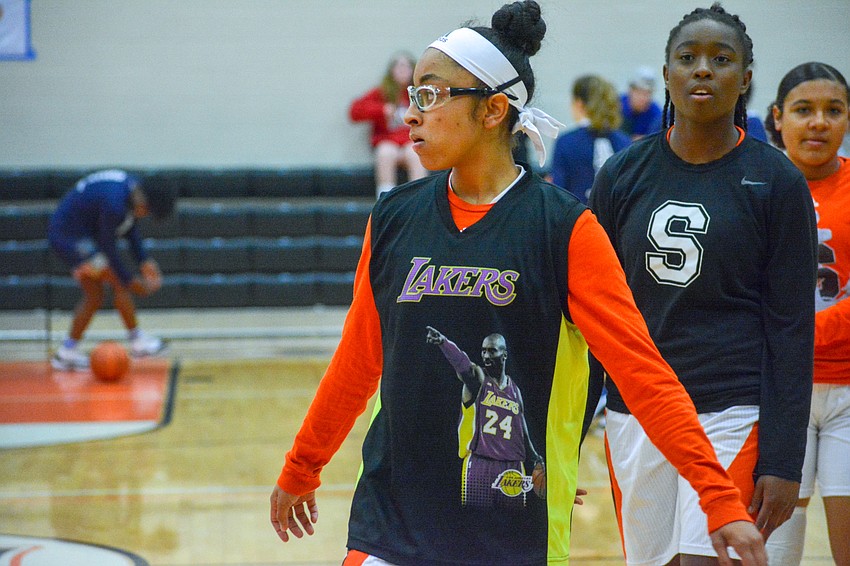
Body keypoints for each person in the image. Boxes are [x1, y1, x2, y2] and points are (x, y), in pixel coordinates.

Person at [270, 2, 766, 565]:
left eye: (430, 95)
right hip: (392, 523)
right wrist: (301, 465)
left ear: (493, 110)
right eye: (412, 97)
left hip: (511, 526)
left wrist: (719, 497)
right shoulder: (393, 218)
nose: (412, 115)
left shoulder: (565, 229)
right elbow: (358, 358)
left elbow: (644, 376)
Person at [588, 4, 818, 565]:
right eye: (687, 58)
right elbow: (595, 315)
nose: (702, 71)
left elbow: (791, 328)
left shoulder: (778, 180)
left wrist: (784, 460)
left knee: (710, 559)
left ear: (745, 77)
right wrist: (562, 438)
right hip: (635, 411)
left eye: (721, 59)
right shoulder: (621, 174)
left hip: (732, 409)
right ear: (666, 73)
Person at [762, 62, 850, 566]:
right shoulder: (755, 184)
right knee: (773, 552)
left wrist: (800, 334)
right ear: (778, 117)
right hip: (774, 391)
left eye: (833, 110)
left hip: (845, 386)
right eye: (803, 110)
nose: (818, 122)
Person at [48, 169, 175, 370]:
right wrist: (131, 282)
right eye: (149, 211)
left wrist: (144, 261)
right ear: (145, 202)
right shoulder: (114, 204)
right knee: (117, 283)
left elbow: (129, 227)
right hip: (69, 239)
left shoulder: (130, 191)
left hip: (81, 235)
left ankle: (67, 352)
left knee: (95, 294)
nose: (146, 215)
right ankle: (137, 341)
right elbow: (108, 250)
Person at [425, 326, 545, 507]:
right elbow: (464, 366)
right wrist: (444, 343)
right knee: (472, 522)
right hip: (480, 464)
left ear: (504, 355)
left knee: (511, 525)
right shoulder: (479, 379)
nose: (486, 356)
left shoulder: (515, 390)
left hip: (512, 468)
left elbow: (521, 429)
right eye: (483, 351)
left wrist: (535, 456)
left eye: (492, 351)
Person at [349, 51, 429, 197]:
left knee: (415, 153)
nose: (403, 70)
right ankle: (385, 201)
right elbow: (354, 112)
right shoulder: (382, 92)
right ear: (391, 70)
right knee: (385, 152)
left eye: (407, 66)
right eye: (399, 66)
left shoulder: (419, 93)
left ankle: (420, 198)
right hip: (387, 141)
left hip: (409, 142)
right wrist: (381, 109)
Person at [549, 74, 631, 204]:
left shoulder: (566, 142)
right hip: (617, 221)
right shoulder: (625, 142)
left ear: (579, 104)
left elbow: (558, 195)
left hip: (578, 220)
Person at [620, 65, 663, 140]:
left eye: (648, 93)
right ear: (631, 90)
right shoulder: (617, 106)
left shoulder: (655, 113)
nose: (644, 98)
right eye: (640, 93)